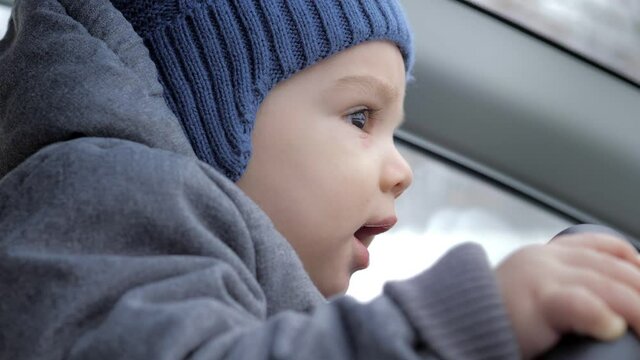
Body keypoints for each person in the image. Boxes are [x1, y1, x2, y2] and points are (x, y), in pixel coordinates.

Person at [0, 0, 639, 359]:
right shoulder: (101, 193)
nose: (402, 171)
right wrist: (449, 325)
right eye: (361, 115)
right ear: (216, 107)